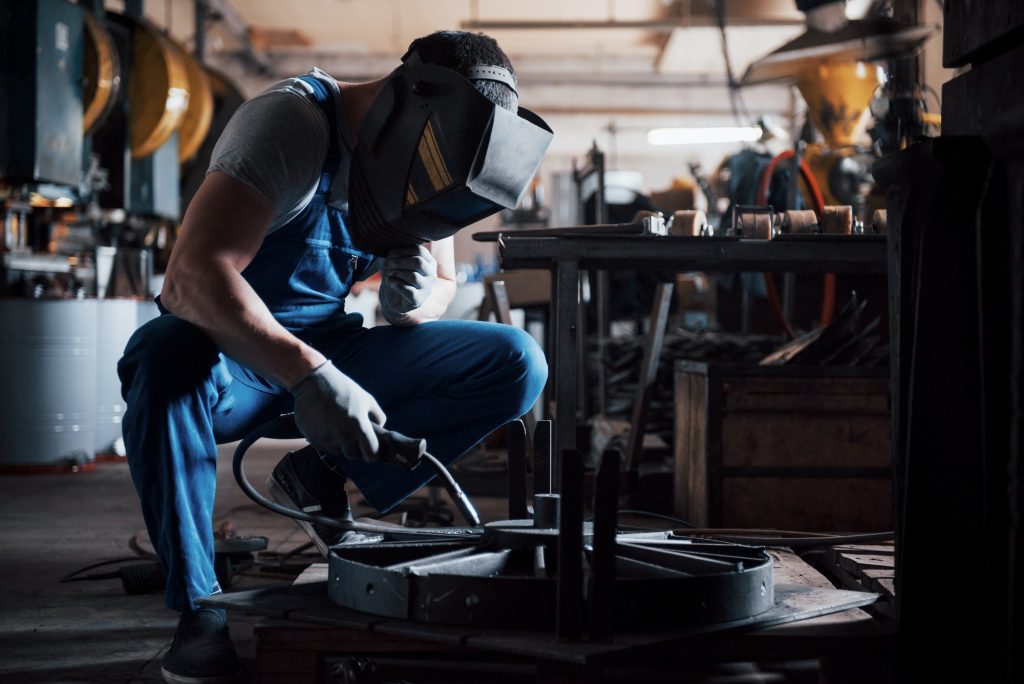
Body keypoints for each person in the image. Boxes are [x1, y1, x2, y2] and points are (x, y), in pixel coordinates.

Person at [117, 31, 551, 684]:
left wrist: (416, 262)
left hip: (333, 349)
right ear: (413, 100)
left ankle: (318, 472)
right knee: (162, 354)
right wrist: (311, 375)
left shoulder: (423, 156)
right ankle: (199, 603)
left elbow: (431, 289)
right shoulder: (290, 123)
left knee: (517, 361)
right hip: (231, 366)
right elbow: (190, 278)